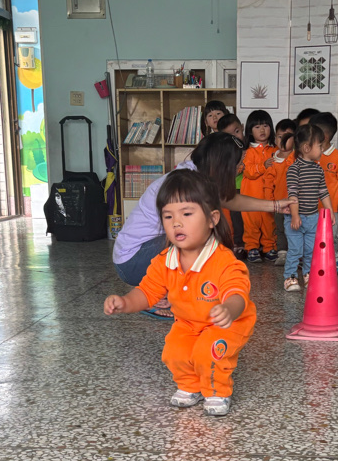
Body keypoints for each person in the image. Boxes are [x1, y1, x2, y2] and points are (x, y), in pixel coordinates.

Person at [104, 170, 257, 417]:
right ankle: (190, 386)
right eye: (168, 216)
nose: (176, 223)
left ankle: (217, 390)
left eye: (187, 214)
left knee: (208, 351)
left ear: (212, 219)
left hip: (227, 322)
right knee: (174, 351)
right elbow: (147, 292)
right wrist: (125, 302)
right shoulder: (164, 260)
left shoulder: (223, 260)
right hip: (188, 322)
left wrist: (229, 309)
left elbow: (237, 292)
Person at [112, 132, 288, 319]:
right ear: (222, 165)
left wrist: (276, 205)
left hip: (143, 254)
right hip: (134, 261)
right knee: (199, 234)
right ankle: (155, 296)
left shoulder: (198, 176)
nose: (240, 167)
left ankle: (180, 291)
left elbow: (229, 199)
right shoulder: (188, 185)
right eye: (238, 163)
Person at [283, 123, 332, 293]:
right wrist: (295, 215)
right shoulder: (294, 170)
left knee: (311, 250)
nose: (322, 150)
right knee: (295, 250)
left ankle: (308, 274)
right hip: (295, 218)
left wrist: (330, 212)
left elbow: (323, 192)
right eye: (320, 146)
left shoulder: (318, 170)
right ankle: (290, 277)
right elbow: (293, 194)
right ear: (306, 148)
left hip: (313, 218)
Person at [311, 112, 338, 275]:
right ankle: (314, 261)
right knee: (312, 234)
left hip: (331, 207)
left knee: (331, 235)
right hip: (310, 207)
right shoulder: (309, 154)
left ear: (324, 136)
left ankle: (335, 260)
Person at [241, 110, 278, 264]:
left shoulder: (275, 150)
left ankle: (269, 247)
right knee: (251, 223)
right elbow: (248, 172)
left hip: (269, 196)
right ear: (250, 131)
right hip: (250, 196)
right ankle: (251, 248)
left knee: (269, 222)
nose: (262, 130)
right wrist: (263, 166)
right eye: (257, 127)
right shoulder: (248, 152)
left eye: (265, 126)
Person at [218, 113, 247, 258]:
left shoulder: (249, 148)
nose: (235, 137)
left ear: (242, 127)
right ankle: (237, 243)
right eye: (230, 135)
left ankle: (247, 244)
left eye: (237, 131)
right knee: (234, 219)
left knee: (247, 218)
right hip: (231, 188)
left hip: (247, 188)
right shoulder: (224, 153)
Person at [270, 119, 297, 265]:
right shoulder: (272, 159)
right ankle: (282, 253)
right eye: (280, 137)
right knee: (280, 229)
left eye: (287, 137)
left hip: (295, 203)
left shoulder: (297, 158)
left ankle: (296, 254)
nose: (283, 140)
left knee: (295, 228)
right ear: (275, 138)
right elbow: (268, 182)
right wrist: (269, 201)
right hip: (279, 202)